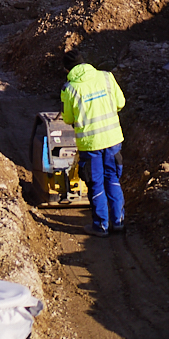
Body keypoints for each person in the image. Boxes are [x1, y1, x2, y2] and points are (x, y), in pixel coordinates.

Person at [61, 63, 126, 237]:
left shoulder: (69, 88)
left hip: (90, 145)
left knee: (95, 183)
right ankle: (118, 221)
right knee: (112, 179)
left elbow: (67, 118)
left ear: (68, 69)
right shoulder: (107, 76)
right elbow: (121, 103)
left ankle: (101, 226)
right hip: (112, 140)